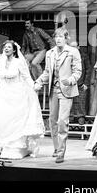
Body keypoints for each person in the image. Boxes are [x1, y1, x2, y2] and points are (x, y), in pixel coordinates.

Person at [34, 27, 82, 163]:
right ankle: (56, 148)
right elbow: (47, 72)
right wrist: (38, 81)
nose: (58, 39)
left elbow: (78, 71)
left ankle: (61, 152)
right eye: (56, 37)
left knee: (62, 121)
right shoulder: (50, 53)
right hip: (53, 90)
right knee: (52, 121)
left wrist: (71, 80)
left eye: (61, 37)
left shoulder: (73, 52)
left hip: (66, 90)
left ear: (66, 38)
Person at [0, 40, 45, 159]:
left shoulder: (19, 62)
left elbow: (26, 77)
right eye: (5, 47)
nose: (6, 49)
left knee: (15, 120)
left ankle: (16, 147)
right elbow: (0, 80)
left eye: (9, 47)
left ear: (14, 50)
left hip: (17, 94)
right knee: (2, 119)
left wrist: (34, 85)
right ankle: (3, 147)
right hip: (3, 93)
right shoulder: (0, 61)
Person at [69, 41, 91, 125]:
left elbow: (88, 70)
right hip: (71, 82)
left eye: (75, 46)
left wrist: (86, 83)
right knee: (70, 101)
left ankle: (80, 117)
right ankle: (70, 117)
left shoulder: (84, 56)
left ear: (78, 47)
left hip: (81, 82)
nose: (73, 48)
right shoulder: (68, 57)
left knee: (81, 100)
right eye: (72, 47)